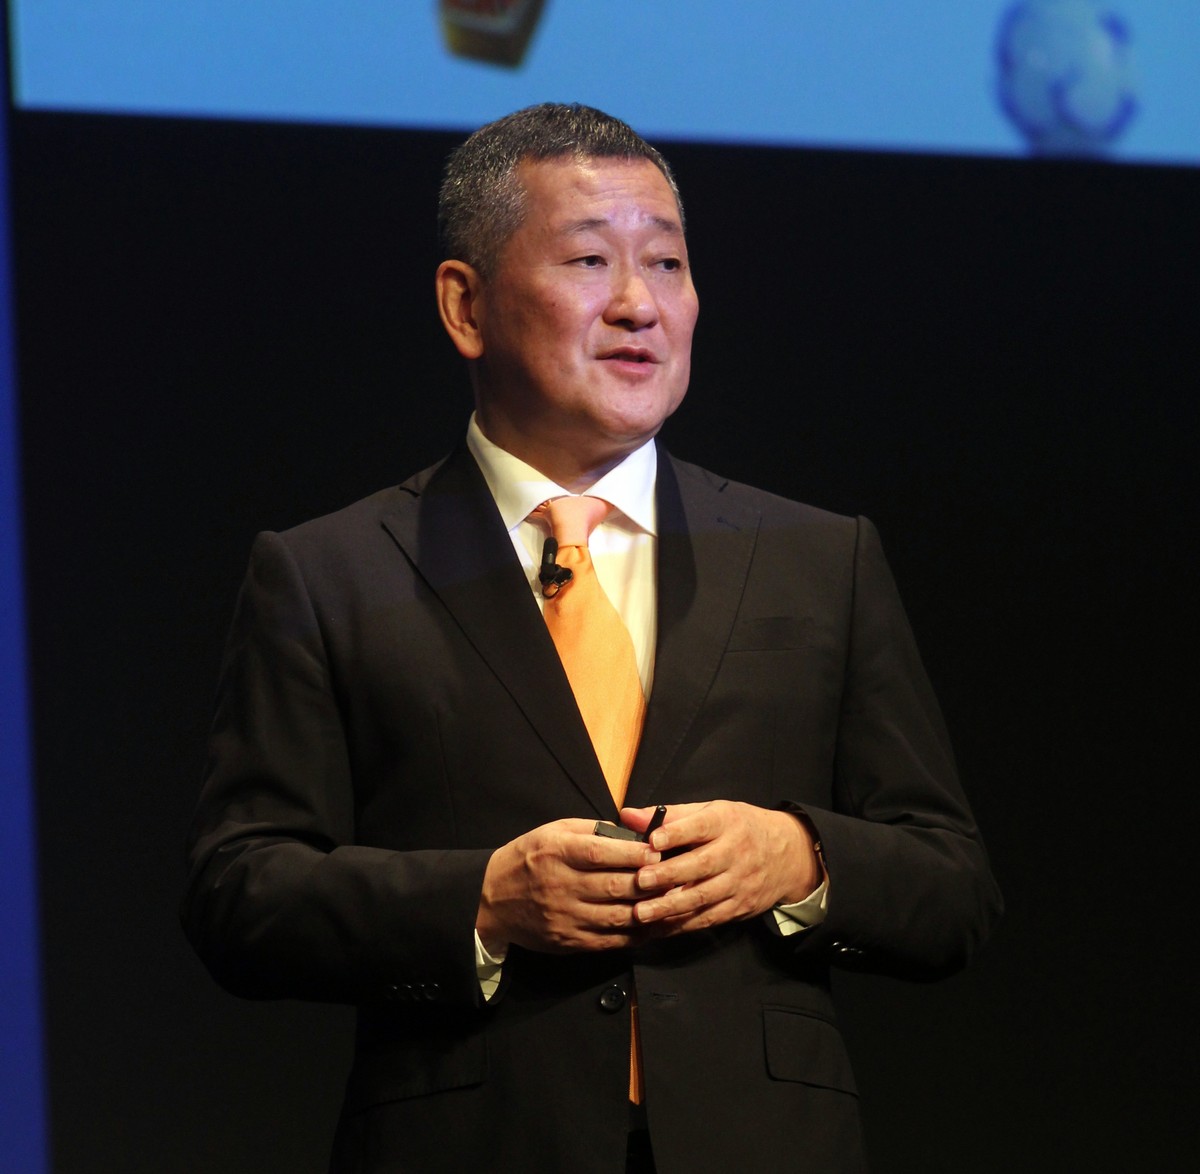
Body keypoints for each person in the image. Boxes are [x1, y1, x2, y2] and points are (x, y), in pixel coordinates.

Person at [182, 103, 1002, 1174]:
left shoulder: (817, 556)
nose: (638, 304)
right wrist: (482, 899)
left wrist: (796, 858)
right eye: (588, 260)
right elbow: (239, 893)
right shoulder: (330, 571)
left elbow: (952, 887)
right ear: (465, 305)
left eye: (666, 263)